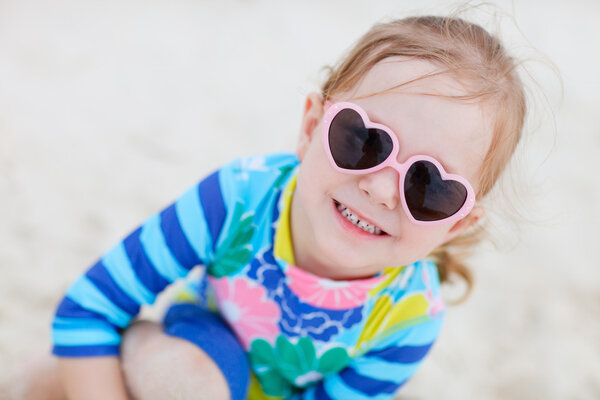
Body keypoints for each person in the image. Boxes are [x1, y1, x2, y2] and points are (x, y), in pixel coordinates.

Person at [15, 14, 526, 400]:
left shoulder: (411, 321)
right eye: (363, 141)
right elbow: (88, 310)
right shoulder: (239, 198)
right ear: (310, 129)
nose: (380, 189)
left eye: (430, 187)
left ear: (458, 223)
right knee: (49, 379)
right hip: (188, 354)